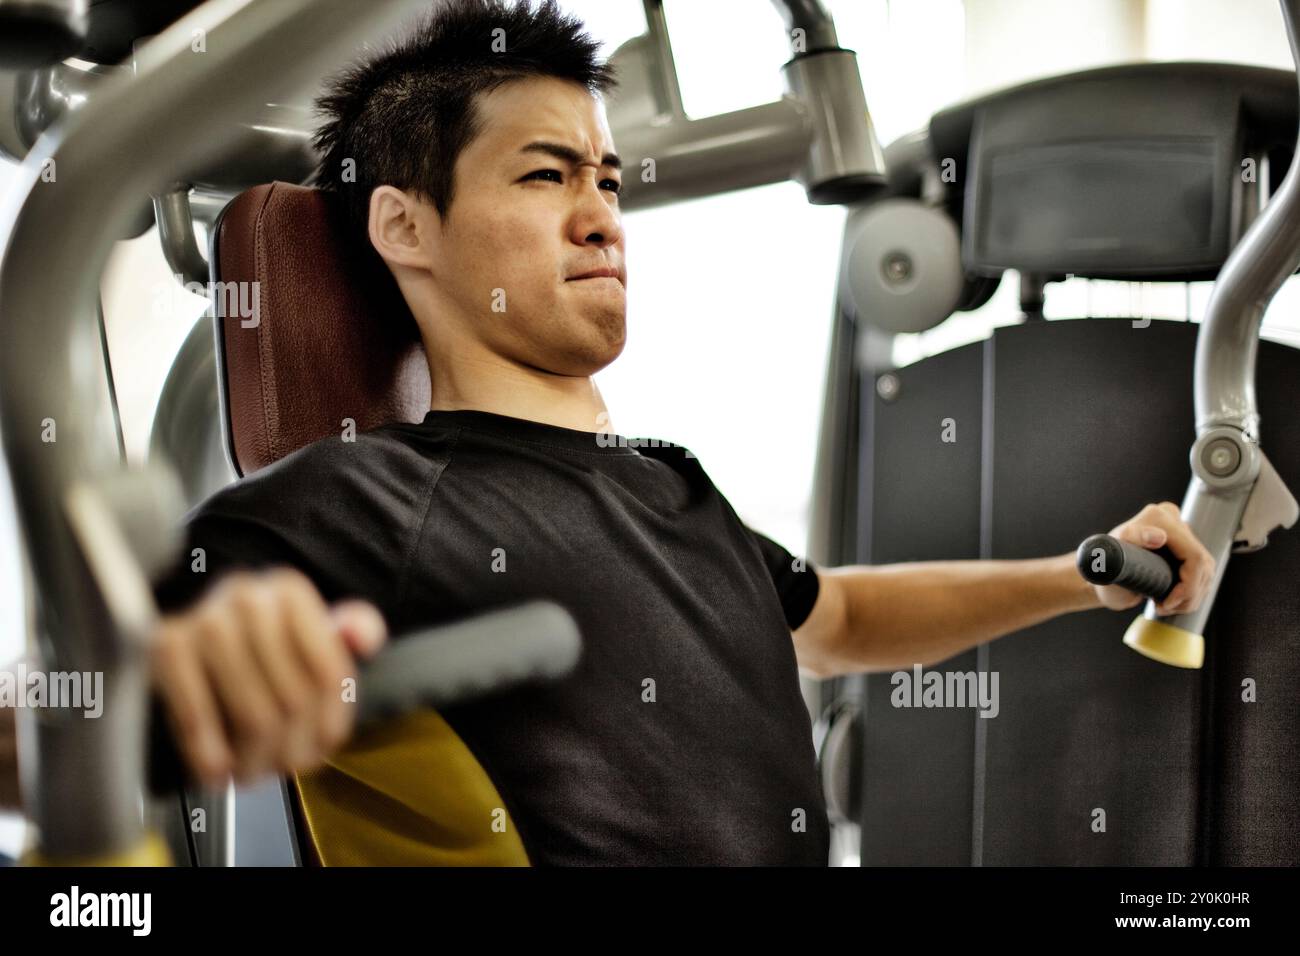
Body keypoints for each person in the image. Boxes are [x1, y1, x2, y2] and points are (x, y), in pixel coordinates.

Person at [0, 0, 1215, 865]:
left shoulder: (667, 484)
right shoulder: (352, 502)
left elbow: (837, 618)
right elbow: (54, 715)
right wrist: (186, 673)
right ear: (404, 228)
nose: (601, 219)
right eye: (544, 178)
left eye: (609, 181)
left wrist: (1076, 574)